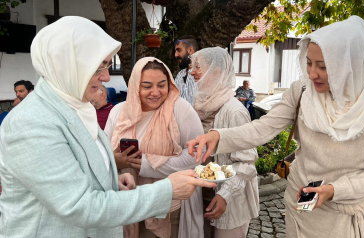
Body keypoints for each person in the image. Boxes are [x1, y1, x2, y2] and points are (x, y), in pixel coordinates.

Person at [187, 16, 364, 237]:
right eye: (309, 63)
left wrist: (334, 190)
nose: (311, 74)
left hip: (342, 216)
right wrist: (219, 137)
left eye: (322, 66)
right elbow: (263, 128)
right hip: (301, 199)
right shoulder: (303, 91)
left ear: (350, 65)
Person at [0, 16, 214, 238]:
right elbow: (80, 206)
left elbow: (85, 166)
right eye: (98, 67)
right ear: (67, 66)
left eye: (107, 65)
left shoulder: (76, 107)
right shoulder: (32, 124)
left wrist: (112, 181)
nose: (105, 76)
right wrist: (166, 190)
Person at [104, 57, 206, 238]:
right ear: (135, 85)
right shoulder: (118, 112)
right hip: (125, 204)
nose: (155, 92)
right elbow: (102, 155)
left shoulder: (180, 110)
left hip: (166, 207)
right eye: (147, 86)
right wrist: (115, 160)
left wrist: (147, 164)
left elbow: (196, 155)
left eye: (161, 85)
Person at [190, 47, 259, 238]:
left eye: (198, 67)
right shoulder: (200, 106)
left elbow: (246, 162)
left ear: (216, 72)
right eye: (192, 66)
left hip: (229, 202)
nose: (192, 71)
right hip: (202, 197)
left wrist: (224, 195)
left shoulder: (234, 112)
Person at [174, 35, 199, 105]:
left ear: (190, 50)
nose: (176, 55)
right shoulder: (180, 75)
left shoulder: (203, 74)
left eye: (179, 50)